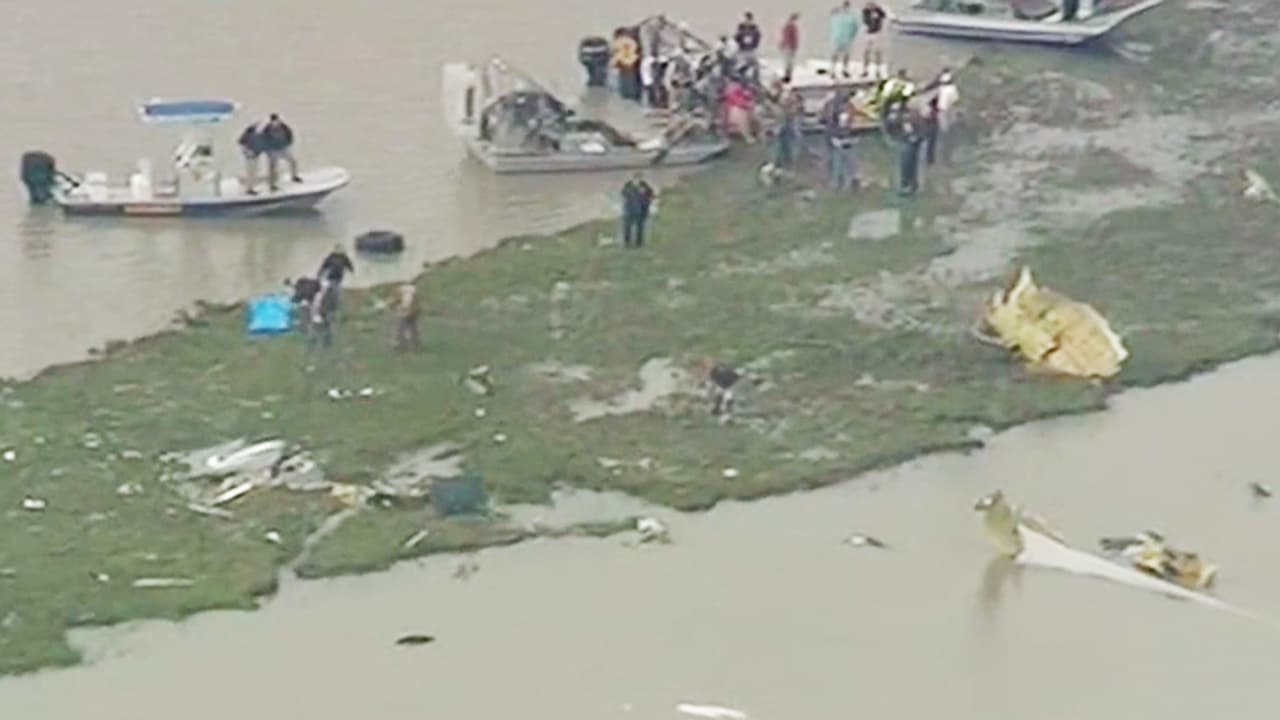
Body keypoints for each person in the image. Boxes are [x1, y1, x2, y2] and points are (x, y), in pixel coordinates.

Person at [261, 114, 301, 192]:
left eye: (276, 121)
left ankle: (294, 176)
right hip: (273, 150)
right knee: (273, 167)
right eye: (273, 121)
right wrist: (267, 150)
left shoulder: (284, 126)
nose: (275, 123)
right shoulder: (267, 129)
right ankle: (272, 185)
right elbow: (263, 139)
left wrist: (289, 143)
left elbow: (289, 134)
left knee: (293, 161)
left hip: (284, 148)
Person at [620, 173, 655, 248]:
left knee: (640, 227)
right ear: (633, 179)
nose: (637, 181)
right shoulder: (628, 186)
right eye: (635, 179)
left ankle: (639, 243)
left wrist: (645, 195)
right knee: (627, 226)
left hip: (641, 210)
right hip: (630, 210)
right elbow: (623, 193)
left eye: (639, 179)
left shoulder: (645, 186)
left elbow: (651, 195)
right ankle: (627, 242)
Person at [828, 1, 859, 78]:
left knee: (846, 55)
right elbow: (831, 23)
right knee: (835, 55)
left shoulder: (851, 15)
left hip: (846, 38)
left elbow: (855, 27)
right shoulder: (837, 14)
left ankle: (844, 70)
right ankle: (832, 70)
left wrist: (852, 36)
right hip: (837, 38)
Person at [861, 2, 888, 78]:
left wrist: (878, 9)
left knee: (877, 52)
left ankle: (878, 70)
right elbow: (865, 21)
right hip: (868, 33)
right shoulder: (866, 12)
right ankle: (865, 70)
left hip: (877, 33)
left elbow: (884, 15)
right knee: (866, 52)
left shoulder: (878, 11)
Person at [392, 283, 421, 351]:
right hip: (406, 310)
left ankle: (404, 344)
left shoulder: (404, 288)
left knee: (403, 328)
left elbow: (397, 299)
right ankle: (406, 344)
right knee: (408, 328)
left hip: (407, 310)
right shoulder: (411, 288)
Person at [238, 123, 264, 195]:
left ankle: (251, 188)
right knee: (251, 173)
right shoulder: (246, 138)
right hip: (250, 158)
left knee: (253, 173)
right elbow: (242, 147)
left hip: (255, 157)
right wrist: (248, 152)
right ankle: (249, 189)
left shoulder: (255, 137)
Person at [779, 13, 800, 83]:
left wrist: (782, 44)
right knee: (789, 62)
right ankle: (787, 76)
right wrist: (793, 45)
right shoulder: (791, 27)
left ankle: (787, 75)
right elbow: (789, 37)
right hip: (789, 46)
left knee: (788, 62)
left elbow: (784, 37)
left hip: (788, 46)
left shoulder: (788, 26)